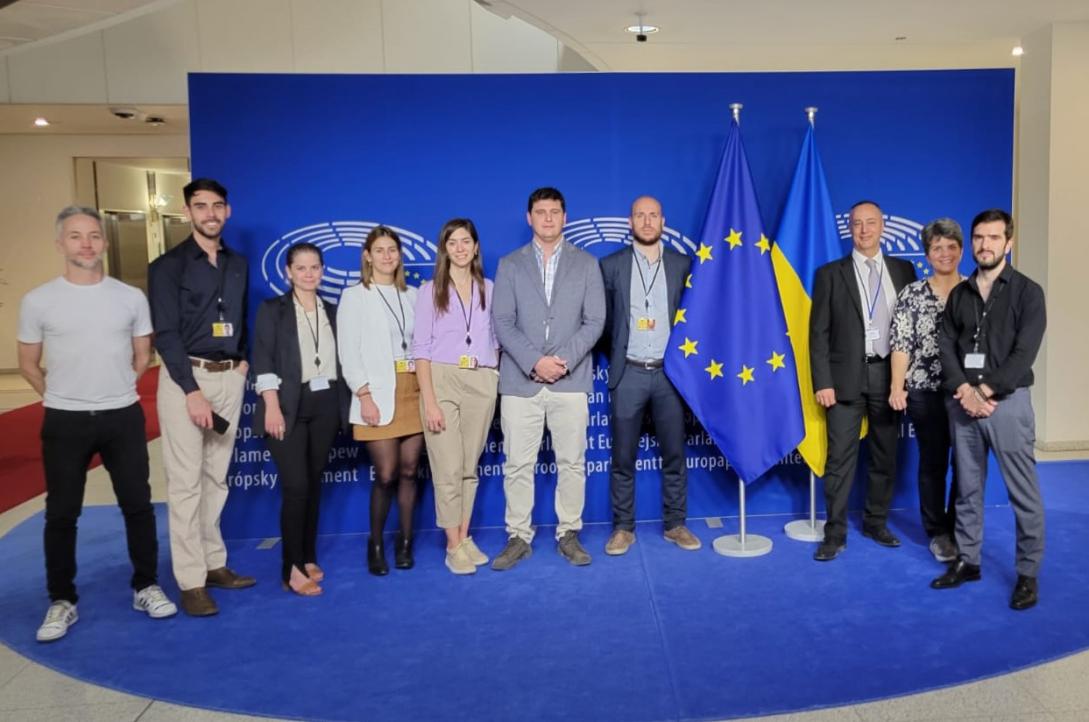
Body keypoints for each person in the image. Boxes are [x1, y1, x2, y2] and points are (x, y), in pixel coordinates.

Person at [19, 206, 177, 642]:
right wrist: (57, 395)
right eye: (75, 236)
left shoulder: (129, 297)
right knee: (62, 512)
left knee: (138, 505)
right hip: (64, 419)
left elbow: (143, 352)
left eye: (93, 235)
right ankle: (61, 600)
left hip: (122, 415)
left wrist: (124, 383)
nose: (85, 244)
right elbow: (28, 363)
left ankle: (146, 586)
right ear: (60, 244)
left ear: (104, 242)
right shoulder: (38, 300)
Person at [148, 178, 255, 617]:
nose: (210, 213)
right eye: (201, 206)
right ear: (187, 211)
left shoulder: (237, 263)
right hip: (185, 379)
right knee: (187, 483)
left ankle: (214, 563)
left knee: (216, 478)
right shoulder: (168, 266)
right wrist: (190, 391)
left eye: (217, 206)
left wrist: (243, 361)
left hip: (229, 378)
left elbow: (240, 317)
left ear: (227, 211)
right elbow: (167, 334)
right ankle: (190, 580)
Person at [931, 209, 1046, 611]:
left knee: (1022, 493)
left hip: (1009, 405)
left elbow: (1023, 354)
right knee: (967, 488)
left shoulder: (1028, 293)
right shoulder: (960, 294)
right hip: (963, 404)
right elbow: (945, 344)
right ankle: (969, 560)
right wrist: (964, 388)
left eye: (993, 238)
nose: (984, 245)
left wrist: (986, 390)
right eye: (979, 237)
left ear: (1008, 243)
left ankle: (1028, 574)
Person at [491, 187, 606, 570]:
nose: (548, 218)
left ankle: (568, 533)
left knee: (572, 462)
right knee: (517, 465)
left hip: (569, 381)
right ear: (529, 217)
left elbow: (595, 321)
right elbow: (503, 322)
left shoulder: (587, 263)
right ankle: (518, 536)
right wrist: (534, 362)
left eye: (555, 212)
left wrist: (562, 361)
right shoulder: (510, 264)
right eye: (540, 212)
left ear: (565, 217)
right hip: (521, 381)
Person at [810, 200, 917, 561]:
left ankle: (876, 522)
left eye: (870, 223)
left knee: (885, 456)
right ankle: (834, 533)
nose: (864, 230)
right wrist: (822, 381)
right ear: (850, 228)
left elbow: (913, 330)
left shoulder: (904, 271)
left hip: (891, 377)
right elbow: (818, 334)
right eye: (857, 224)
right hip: (843, 381)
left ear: (882, 226)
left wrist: (905, 381)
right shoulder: (829, 274)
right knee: (840, 459)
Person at [599, 196, 700, 555]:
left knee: (675, 454)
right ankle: (623, 529)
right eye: (640, 216)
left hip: (670, 375)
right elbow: (605, 322)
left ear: (663, 221)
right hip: (629, 373)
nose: (646, 221)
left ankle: (675, 524)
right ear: (630, 222)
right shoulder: (610, 266)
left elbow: (695, 320)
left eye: (653, 215)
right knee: (622, 457)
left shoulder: (682, 265)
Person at [252, 242, 350, 595]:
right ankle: (290, 568)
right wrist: (272, 405)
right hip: (286, 405)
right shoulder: (272, 310)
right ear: (288, 272)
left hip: (325, 404)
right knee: (295, 487)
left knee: (312, 483)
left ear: (322, 271)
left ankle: (307, 556)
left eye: (315, 268)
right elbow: (262, 359)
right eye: (301, 268)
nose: (309, 274)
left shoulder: (334, 311)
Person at [414, 219, 500, 575]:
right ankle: (452, 546)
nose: (461, 248)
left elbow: (498, 336)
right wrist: (430, 401)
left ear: (476, 247)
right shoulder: (429, 290)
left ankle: (464, 538)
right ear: (445, 248)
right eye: (453, 242)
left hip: (481, 378)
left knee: (468, 467)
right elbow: (420, 349)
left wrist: (493, 373)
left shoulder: (491, 288)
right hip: (442, 378)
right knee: (447, 467)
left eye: (467, 241)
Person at [338, 226, 423, 575]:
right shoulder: (355, 296)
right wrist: (364, 395)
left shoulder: (414, 295)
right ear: (367, 256)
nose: (388, 256)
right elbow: (348, 352)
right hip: (376, 392)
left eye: (393, 250)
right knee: (386, 474)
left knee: (408, 471)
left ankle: (404, 542)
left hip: (413, 389)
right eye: (380, 250)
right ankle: (375, 543)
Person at [889, 218, 965, 563]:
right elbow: (902, 344)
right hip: (926, 392)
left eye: (951, 247)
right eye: (937, 247)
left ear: (961, 251)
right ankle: (938, 533)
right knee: (933, 464)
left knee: (967, 466)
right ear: (927, 253)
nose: (944, 253)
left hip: (968, 394)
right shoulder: (912, 294)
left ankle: (962, 528)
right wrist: (897, 386)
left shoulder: (977, 291)